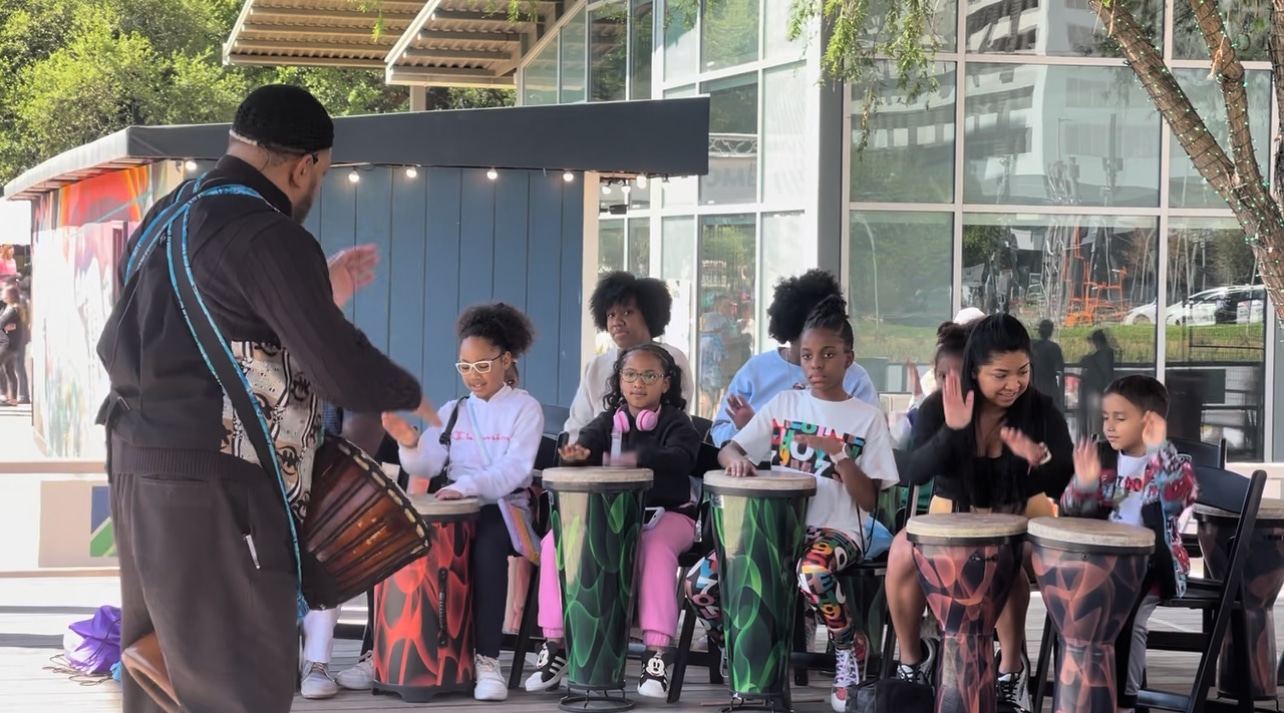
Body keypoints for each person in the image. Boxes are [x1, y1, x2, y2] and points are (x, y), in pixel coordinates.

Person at [95, 84, 436, 713]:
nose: (313, 189)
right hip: (220, 482)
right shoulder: (266, 232)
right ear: (302, 164)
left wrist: (313, 293)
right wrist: (409, 393)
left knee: (162, 665)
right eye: (321, 175)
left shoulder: (166, 215)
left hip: (139, 470)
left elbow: (181, 328)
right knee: (240, 674)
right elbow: (340, 373)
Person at [685, 295, 900, 713]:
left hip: (839, 530)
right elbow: (730, 449)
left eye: (827, 354)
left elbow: (870, 499)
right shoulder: (786, 405)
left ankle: (847, 647)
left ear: (849, 359)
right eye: (807, 355)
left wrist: (838, 454)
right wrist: (737, 465)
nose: (816, 364)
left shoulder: (867, 418)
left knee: (812, 573)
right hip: (777, 528)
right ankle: (740, 644)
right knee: (698, 585)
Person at [889, 314, 1074, 709]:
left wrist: (1039, 460)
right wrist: (954, 430)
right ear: (974, 370)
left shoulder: (1039, 410)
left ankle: (1011, 671)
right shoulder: (942, 404)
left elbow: (1067, 483)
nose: (1014, 384)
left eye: (1022, 371)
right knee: (903, 552)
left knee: (1004, 564)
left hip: (1023, 517)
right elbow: (914, 471)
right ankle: (913, 662)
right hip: (951, 517)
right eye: (1001, 375)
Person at [382, 302, 543, 702]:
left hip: (504, 509)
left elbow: (516, 471)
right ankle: (391, 654)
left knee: (486, 548)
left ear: (507, 360)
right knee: (397, 545)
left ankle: (487, 659)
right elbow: (427, 461)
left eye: (482, 365)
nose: (473, 376)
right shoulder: (454, 411)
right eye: (465, 367)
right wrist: (407, 442)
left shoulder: (525, 409)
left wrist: (466, 487)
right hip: (456, 507)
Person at [525, 343, 701, 698]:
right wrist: (578, 454)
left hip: (667, 518)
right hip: (610, 519)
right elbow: (585, 445)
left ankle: (656, 656)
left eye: (649, 375)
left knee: (654, 550)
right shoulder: (611, 420)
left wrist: (628, 456)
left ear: (666, 383)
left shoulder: (676, 422)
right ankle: (555, 645)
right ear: (619, 380)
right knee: (553, 543)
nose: (639, 383)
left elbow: (681, 459)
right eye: (630, 375)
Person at [1061, 375, 1198, 713]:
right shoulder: (1104, 460)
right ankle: (1082, 691)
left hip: (1153, 567)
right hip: (1104, 565)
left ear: (1150, 422)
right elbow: (1070, 511)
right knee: (1071, 606)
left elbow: (1180, 497)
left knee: (1127, 619)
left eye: (1119, 419)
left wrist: (1159, 448)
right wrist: (1084, 484)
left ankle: (1125, 701)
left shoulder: (1170, 464)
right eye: (1107, 418)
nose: (1109, 426)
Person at [709, 269, 880, 448]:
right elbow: (719, 434)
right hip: (755, 471)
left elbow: (871, 442)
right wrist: (745, 429)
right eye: (812, 328)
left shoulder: (855, 378)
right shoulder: (756, 370)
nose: (816, 363)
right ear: (790, 330)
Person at [299, 408, 403, 698]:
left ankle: (316, 661)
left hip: (328, 484)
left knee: (326, 542)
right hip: (263, 481)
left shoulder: (340, 378)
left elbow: (358, 445)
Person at [565, 271, 693, 442]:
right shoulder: (596, 366)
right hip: (595, 462)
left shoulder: (673, 358)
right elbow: (576, 426)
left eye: (627, 312)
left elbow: (677, 422)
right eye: (611, 315)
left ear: (649, 314)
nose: (617, 322)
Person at [0, 285, 27, 405]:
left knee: (8, 369)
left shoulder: (13, 309)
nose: (2, 295)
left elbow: (1, 323)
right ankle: (12, 398)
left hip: (7, 344)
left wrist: (4, 327)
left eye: (5, 293)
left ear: (10, 295)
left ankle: (4, 395)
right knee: (9, 370)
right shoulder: (14, 308)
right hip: (12, 344)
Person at [1031, 319, 1065, 411]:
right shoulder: (1054, 347)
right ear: (1051, 331)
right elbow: (1060, 366)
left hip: (1034, 383)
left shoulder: (1032, 345)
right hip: (1049, 383)